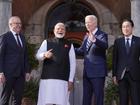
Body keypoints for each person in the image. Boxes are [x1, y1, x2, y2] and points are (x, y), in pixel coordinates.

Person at [36, 22, 76, 105]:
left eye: (62, 29)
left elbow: (73, 63)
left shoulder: (69, 45)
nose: (60, 30)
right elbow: (38, 55)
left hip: (63, 80)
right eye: (58, 28)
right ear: (54, 31)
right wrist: (44, 54)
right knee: (46, 102)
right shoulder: (46, 42)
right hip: (47, 79)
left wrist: (71, 80)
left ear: (65, 31)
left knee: (62, 102)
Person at [75, 15, 108, 105]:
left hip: (98, 72)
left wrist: (95, 40)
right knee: (86, 97)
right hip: (87, 72)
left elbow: (105, 46)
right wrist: (69, 48)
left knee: (98, 97)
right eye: (85, 22)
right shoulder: (86, 37)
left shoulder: (102, 35)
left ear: (95, 23)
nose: (86, 24)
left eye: (88, 22)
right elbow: (81, 51)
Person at [0, 16, 30, 105]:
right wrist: (1, 72)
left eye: (20, 23)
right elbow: (0, 56)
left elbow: (25, 56)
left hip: (20, 74)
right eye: (17, 23)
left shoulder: (22, 37)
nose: (19, 25)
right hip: (8, 74)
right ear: (10, 24)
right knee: (5, 99)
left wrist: (27, 71)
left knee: (18, 99)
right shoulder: (4, 37)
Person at [112, 19, 140, 105]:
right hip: (121, 75)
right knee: (123, 100)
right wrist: (114, 75)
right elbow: (115, 59)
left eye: (127, 26)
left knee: (136, 100)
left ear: (132, 28)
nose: (125, 28)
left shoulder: (138, 40)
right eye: (123, 27)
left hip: (135, 75)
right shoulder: (118, 42)